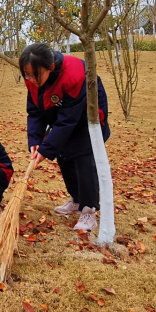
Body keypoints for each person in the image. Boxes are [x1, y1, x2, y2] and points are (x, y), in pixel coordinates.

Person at [20, 43, 109, 232]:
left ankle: (89, 210)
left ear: (51, 67)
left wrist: (46, 149)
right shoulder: (32, 78)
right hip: (63, 113)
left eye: (35, 75)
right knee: (63, 154)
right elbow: (35, 111)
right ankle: (77, 200)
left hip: (86, 113)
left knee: (83, 154)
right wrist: (35, 140)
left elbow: (68, 121)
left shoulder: (74, 75)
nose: (31, 79)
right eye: (27, 74)